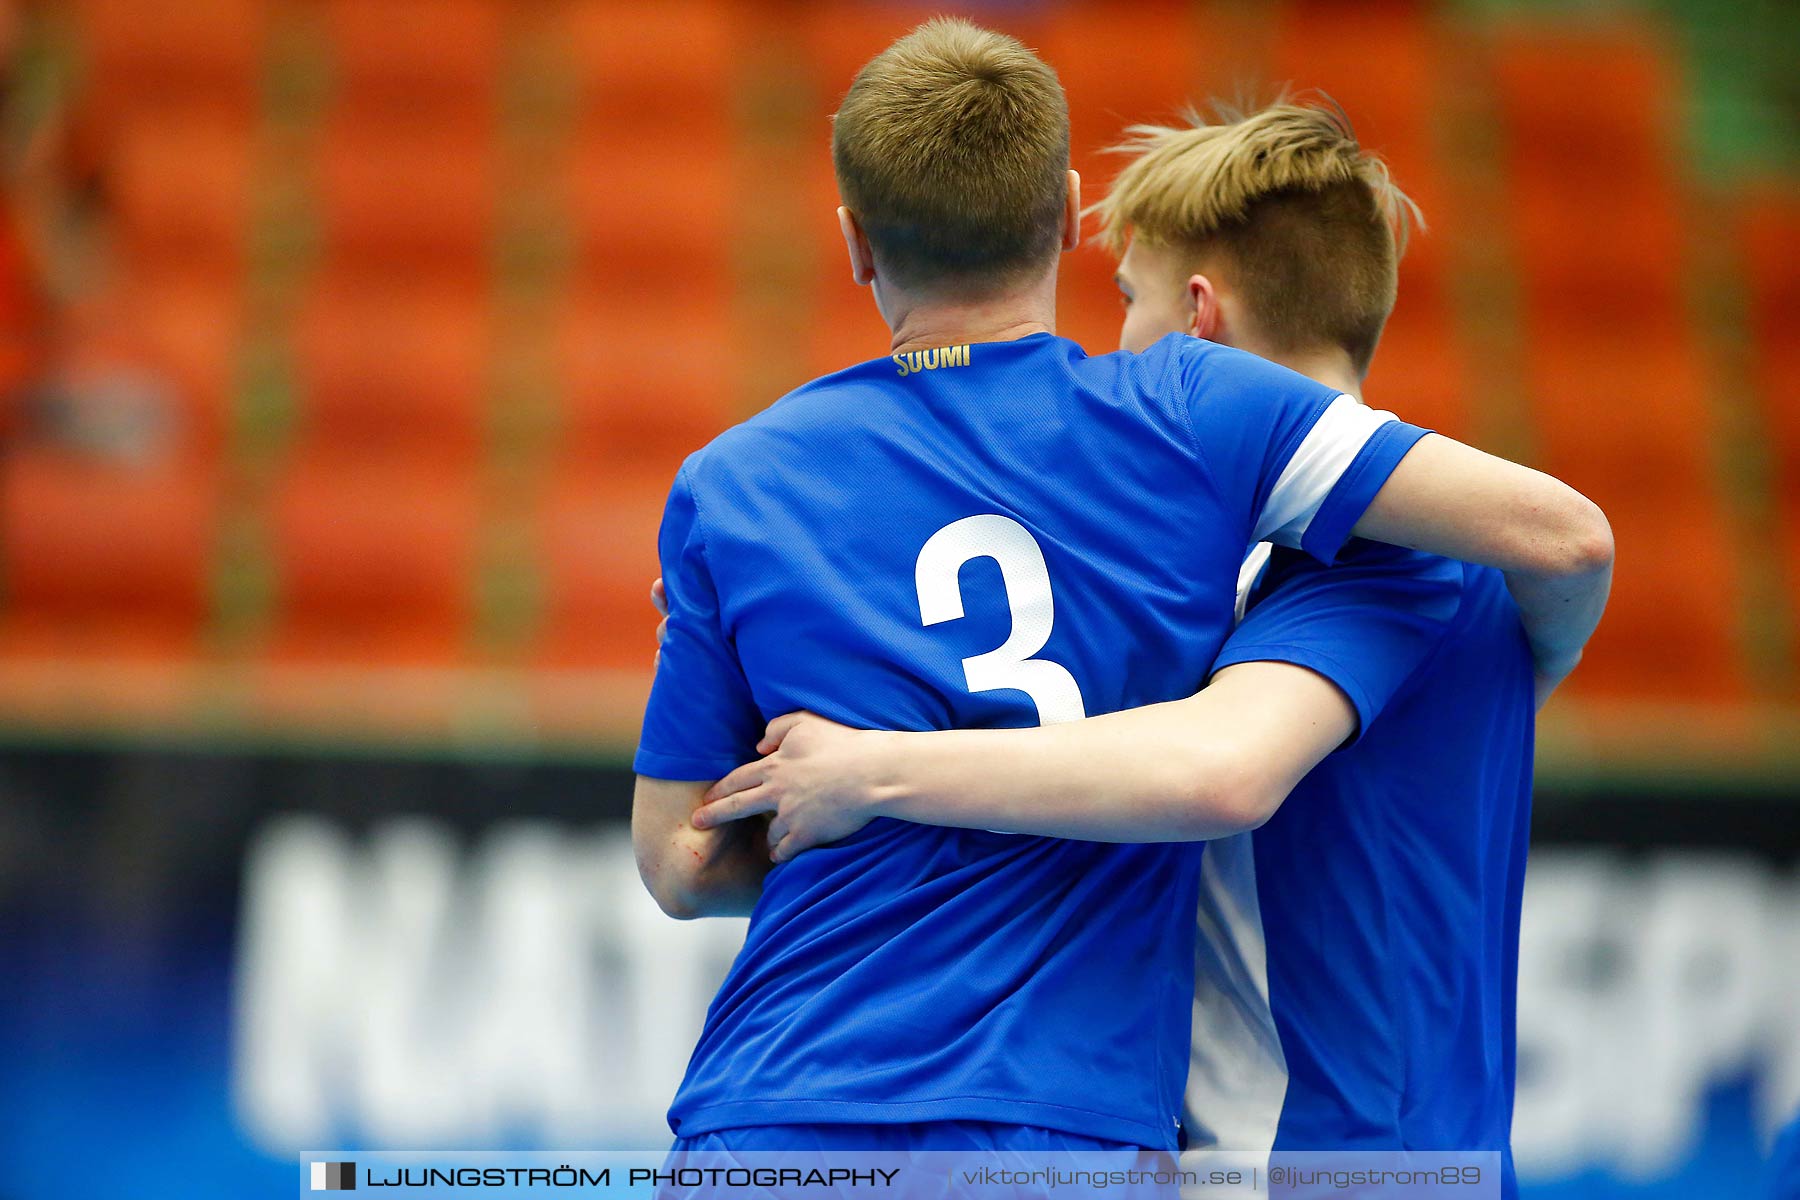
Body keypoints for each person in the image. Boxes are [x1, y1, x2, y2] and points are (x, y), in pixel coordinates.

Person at [634, 21, 1610, 1162]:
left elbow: (1216, 769)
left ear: (1200, 322)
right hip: (1129, 1134)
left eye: (1134, 303)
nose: (1119, 346)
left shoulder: (1373, 560)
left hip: (1300, 1160)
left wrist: (864, 772)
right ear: (1058, 208)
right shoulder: (1214, 526)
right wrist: (1536, 656)